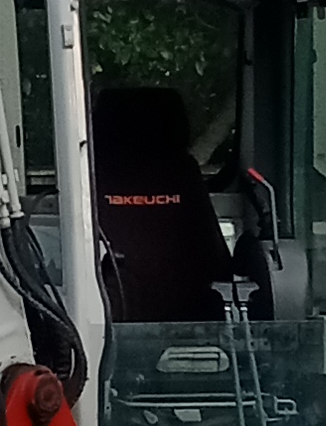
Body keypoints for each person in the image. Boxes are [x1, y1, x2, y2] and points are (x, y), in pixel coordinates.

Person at [88, 83, 228, 324]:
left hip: (104, 320)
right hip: (188, 324)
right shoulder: (183, 175)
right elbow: (217, 264)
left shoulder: (91, 176)